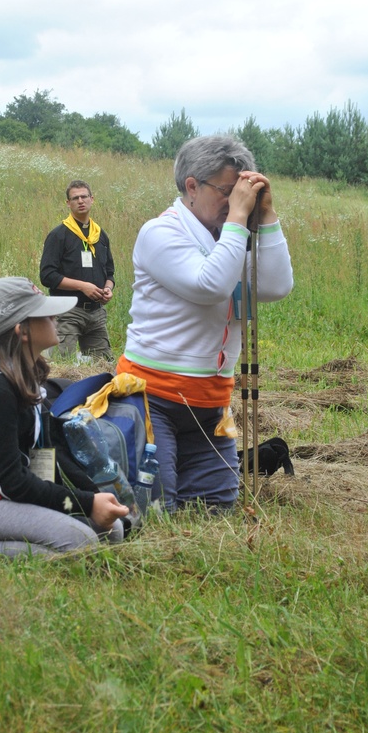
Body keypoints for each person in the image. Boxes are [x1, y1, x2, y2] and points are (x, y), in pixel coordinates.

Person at [117, 135, 294, 514]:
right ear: (192, 186)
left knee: (214, 509)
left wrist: (265, 215)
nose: (235, 203)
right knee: (152, 510)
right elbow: (209, 285)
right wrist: (237, 222)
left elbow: (277, 285)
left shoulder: (230, 236)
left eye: (240, 193)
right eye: (227, 192)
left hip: (210, 404)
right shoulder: (160, 232)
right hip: (153, 398)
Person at [0, 277, 129, 557]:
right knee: (81, 543)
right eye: (44, 312)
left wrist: (95, 498)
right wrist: (86, 504)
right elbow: (9, 481)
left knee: (112, 530)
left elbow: (45, 455)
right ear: (22, 331)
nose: (55, 316)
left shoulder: (24, 375)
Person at [40, 180, 115, 360]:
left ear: (92, 199)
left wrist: (108, 289)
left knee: (103, 368)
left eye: (84, 196)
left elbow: (110, 272)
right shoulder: (59, 235)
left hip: (96, 313)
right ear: (68, 203)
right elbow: (47, 275)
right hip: (68, 311)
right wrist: (82, 286)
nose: (80, 201)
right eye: (75, 198)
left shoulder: (100, 235)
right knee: (61, 365)